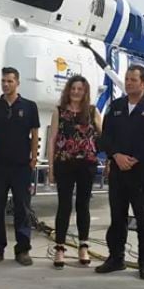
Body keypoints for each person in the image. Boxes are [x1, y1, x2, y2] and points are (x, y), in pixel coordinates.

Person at [95, 65, 144, 280]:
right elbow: (106, 137)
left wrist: (134, 158)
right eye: (126, 79)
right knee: (117, 217)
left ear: (143, 83)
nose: (128, 83)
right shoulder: (116, 107)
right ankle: (115, 258)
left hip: (141, 171)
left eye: (133, 80)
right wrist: (116, 155)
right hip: (118, 171)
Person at [0, 67, 40, 267]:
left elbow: (34, 133)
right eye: (3, 81)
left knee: (22, 209)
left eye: (10, 81)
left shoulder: (30, 107)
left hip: (21, 166)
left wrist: (33, 158)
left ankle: (23, 250)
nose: (6, 84)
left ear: (17, 83)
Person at [48, 75, 102, 269]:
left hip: (86, 164)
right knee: (64, 205)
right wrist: (51, 169)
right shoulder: (59, 111)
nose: (76, 92)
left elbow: (103, 135)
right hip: (64, 163)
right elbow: (52, 139)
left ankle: (83, 246)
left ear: (85, 91)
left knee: (83, 205)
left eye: (80, 89)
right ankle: (60, 248)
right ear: (68, 90)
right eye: (73, 88)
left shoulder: (93, 111)